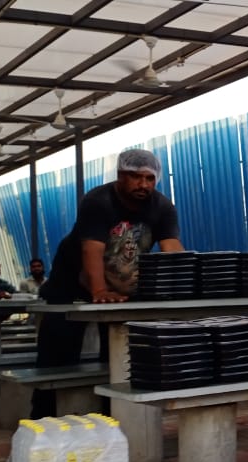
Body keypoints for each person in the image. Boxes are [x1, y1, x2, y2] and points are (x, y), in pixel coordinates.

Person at [31, 148, 183, 418]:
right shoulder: (99, 201)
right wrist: (99, 290)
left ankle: (108, 416)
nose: (143, 184)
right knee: (58, 354)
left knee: (116, 355)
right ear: (120, 175)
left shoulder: (162, 207)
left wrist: (186, 282)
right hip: (72, 281)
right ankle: (44, 418)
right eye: (136, 177)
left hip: (120, 287)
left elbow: (171, 248)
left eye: (149, 178)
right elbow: (91, 249)